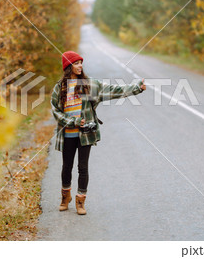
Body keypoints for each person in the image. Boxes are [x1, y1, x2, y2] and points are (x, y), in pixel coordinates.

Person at [50, 50, 146, 215]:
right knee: (66, 167)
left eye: (81, 62)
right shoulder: (60, 87)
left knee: (83, 167)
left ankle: (80, 201)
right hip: (67, 134)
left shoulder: (90, 84)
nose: (80, 66)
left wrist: (136, 88)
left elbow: (114, 90)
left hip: (86, 133)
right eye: (76, 63)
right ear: (68, 66)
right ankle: (65, 197)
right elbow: (55, 110)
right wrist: (71, 122)